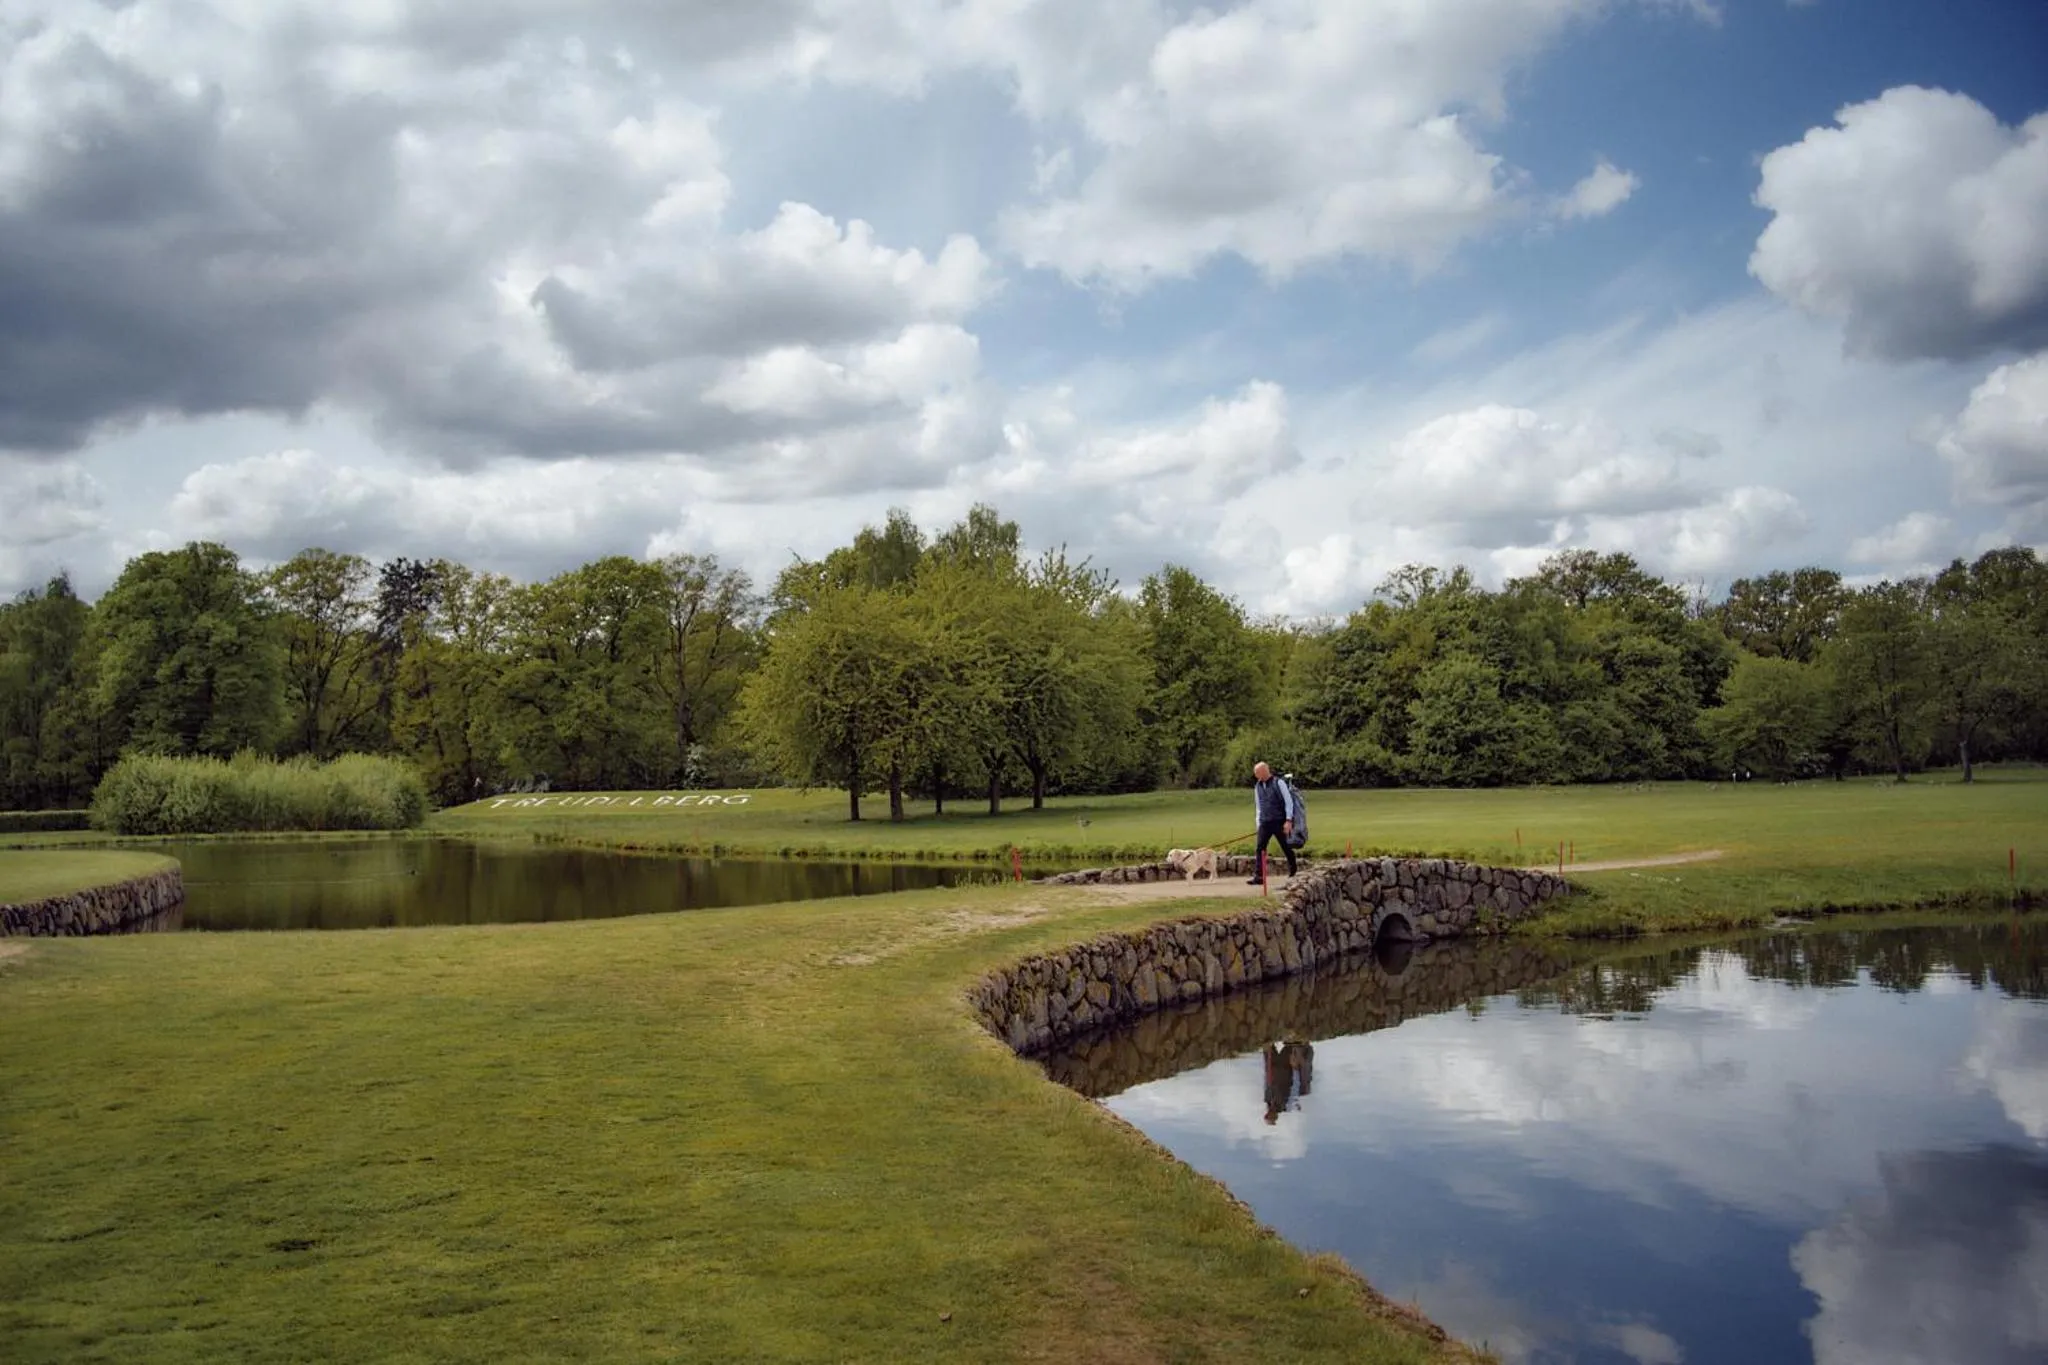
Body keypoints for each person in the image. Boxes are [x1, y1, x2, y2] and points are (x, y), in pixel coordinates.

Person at [1248, 760, 1299, 884]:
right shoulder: (1257, 786)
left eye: (1257, 773)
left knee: (1285, 846)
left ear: (1265, 771)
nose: (1256, 775)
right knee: (1260, 848)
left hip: (1279, 821)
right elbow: (1258, 806)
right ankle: (1259, 876)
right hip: (1265, 822)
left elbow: (1288, 802)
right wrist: (1258, 823)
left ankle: (1293, 869)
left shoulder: (1279, 783)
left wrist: (1288, 820)